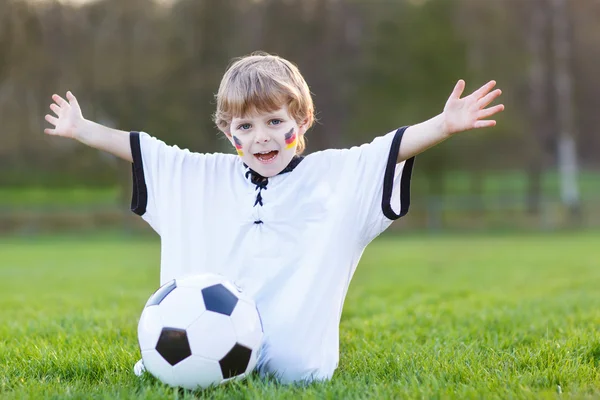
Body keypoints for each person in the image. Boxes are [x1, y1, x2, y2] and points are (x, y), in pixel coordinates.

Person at [44, 52, 504, 384]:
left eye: (274, 122)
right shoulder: (202, 176)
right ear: (229, 133)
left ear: (300, 122)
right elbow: (146, 151)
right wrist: (82, 129)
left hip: (297, 369)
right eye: (245, 127)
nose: (261, 138)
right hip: (196, 368)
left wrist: (443, 126)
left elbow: (387, 150)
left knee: (293, 367)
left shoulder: (332, 177)